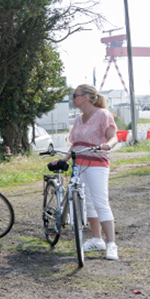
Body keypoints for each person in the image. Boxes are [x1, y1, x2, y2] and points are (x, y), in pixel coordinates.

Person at [52, 84, 119, 260]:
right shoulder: (79, 119)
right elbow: (75, 144)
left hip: (97, 163)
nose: (72, 98)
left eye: (75, 95)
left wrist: (108, 145)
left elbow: (114, 136)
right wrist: (63, 159)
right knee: (87, 202)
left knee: (100, 202)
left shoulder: (103, 115)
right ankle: (97, 239)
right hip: (79, 163)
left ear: (87, 97)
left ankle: (111, 244)